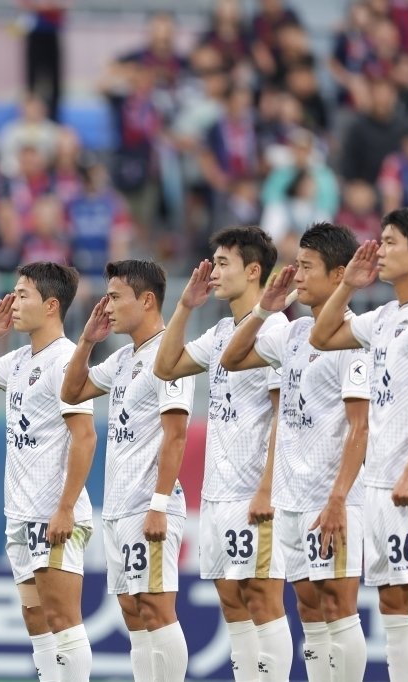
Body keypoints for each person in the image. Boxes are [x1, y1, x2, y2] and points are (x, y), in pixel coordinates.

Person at [310, 206, 408, 682]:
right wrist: (348, 285)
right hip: (378, 485)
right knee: (392, 600)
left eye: (391, 241)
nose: (380, 250)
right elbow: (322, 334)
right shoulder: (386, 315)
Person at [219, 224, 371, 681]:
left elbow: (360, 427)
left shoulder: (353, 337)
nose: (296, 276)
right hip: (292, 498)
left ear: (340, 274)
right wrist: (265, 309)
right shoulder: (295, 331)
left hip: (332, 497)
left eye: (307, 267)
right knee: (309, 606)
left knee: (338, 605)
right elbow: (231, 357)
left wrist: (339, 499)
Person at [153, 227, 293, 681]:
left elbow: (283, 417)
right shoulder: (218, 333)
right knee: (231, 596)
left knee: (263, 596)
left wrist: (268, 490)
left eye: (224, 263)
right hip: (217, 492)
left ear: (254, 271)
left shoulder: (276, 328)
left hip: (255, 490)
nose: (213, 271)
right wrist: (184, 305)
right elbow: (165, 365)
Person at [0, 262, 95, 682]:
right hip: (21, 513)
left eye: (22, 295)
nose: (13, 303)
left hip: (53, 514)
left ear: (51, 305)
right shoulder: (18, 360)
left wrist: (66, 509)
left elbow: (85, 437)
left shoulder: (67, 360)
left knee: (63, 619)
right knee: (37, 621)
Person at [61, 260, 193, 682]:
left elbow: (175, 436)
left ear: (147, 300)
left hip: (150, 505)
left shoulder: (169, 356)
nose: (107, 305)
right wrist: (86, 340)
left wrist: (158, 504)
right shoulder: (122, 359)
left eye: (116, 296)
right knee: (133, 612)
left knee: (156, 608)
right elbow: (72, 391)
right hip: (119, 508)